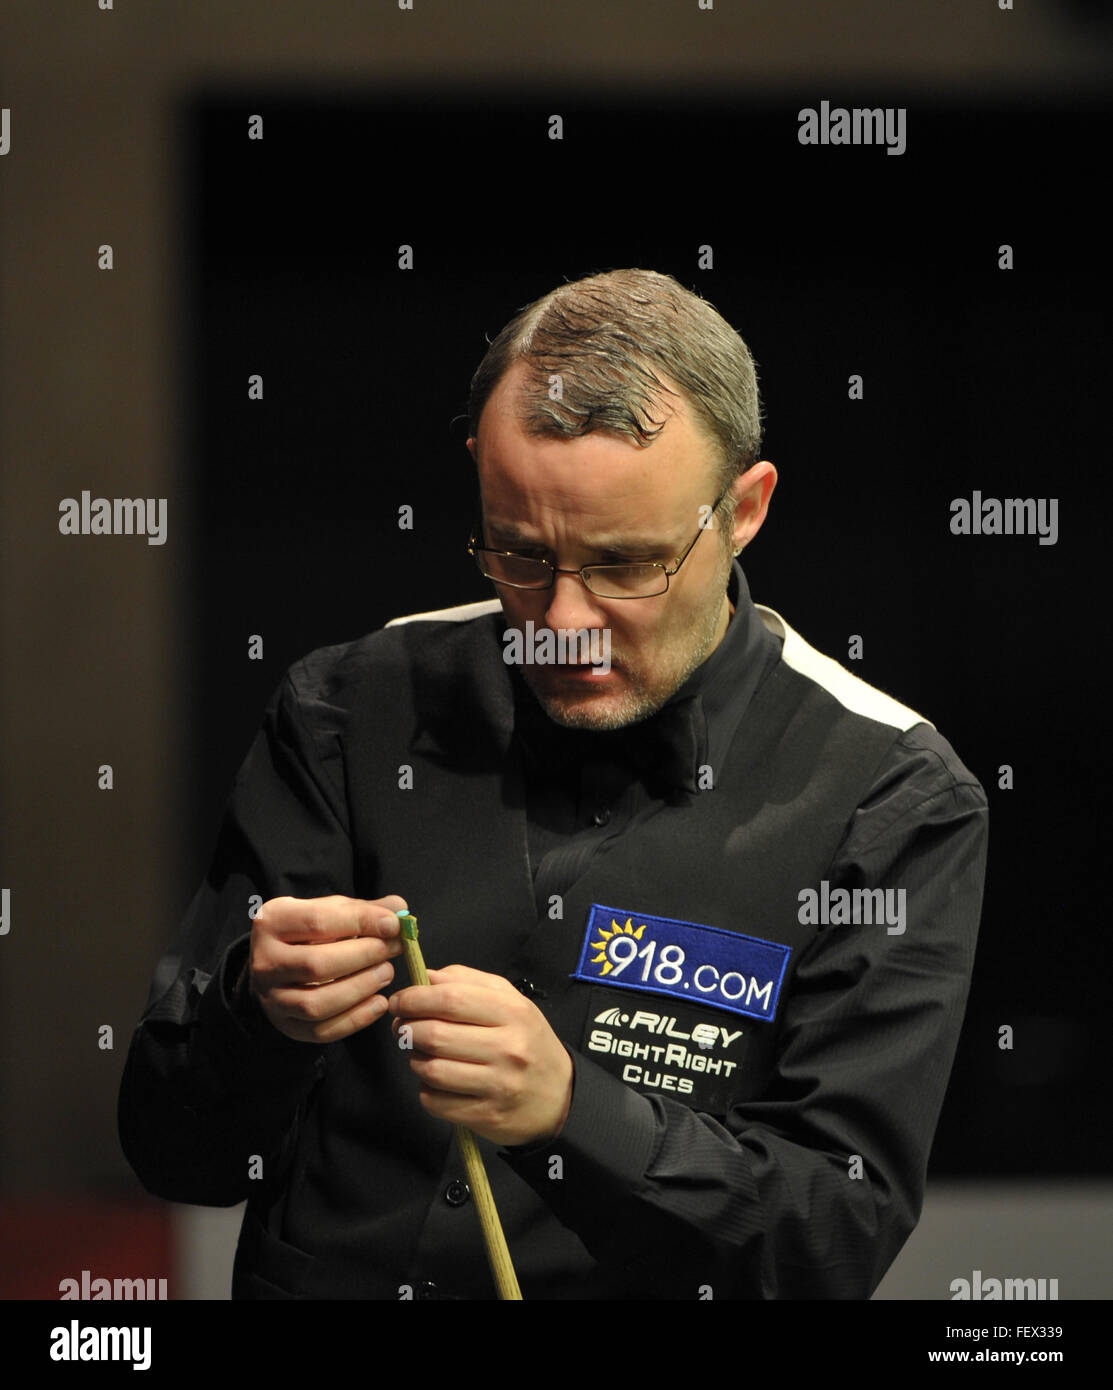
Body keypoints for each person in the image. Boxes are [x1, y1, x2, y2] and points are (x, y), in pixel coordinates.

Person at [118, 268, 988, 1300]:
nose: (565, 619)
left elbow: (829, 1243)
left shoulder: (888, 793)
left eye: (625, 565)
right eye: (521, 554)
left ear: (744, 511)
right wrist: (256, 1017)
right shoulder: (352, 708)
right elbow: (178, 1155)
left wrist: (572, 1112)